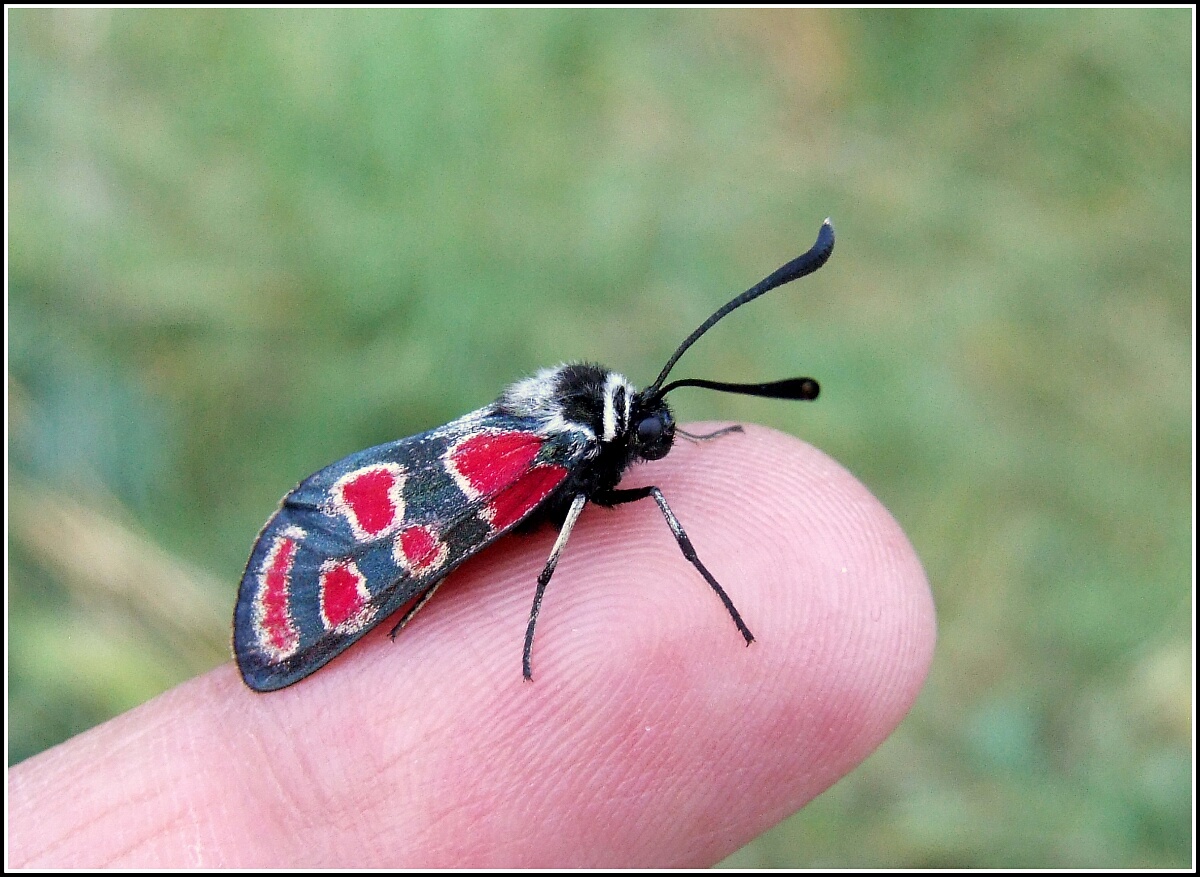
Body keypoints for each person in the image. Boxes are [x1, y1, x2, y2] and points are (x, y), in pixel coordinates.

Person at [8, 426, 935, 867]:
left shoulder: (612, 435)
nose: (660, 449)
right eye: (652, 435)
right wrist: (530, 603)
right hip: (399, 520)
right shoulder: (565, 445)